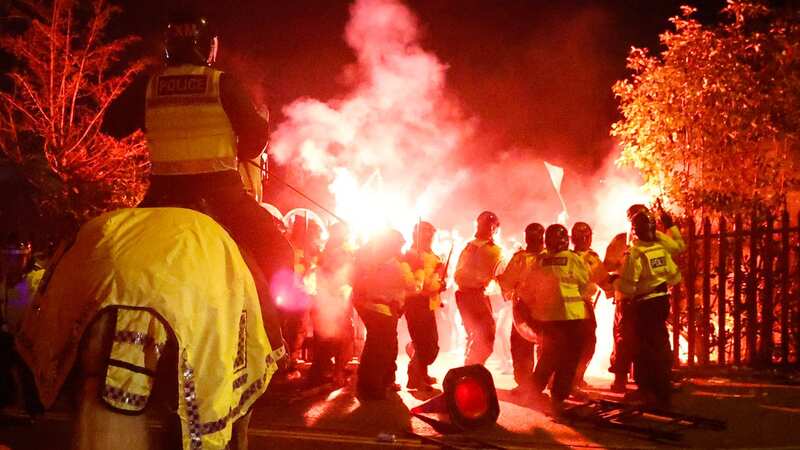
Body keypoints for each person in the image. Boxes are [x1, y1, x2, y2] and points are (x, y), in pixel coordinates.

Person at [129, 11, 293, 357]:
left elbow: (112, 125)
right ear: (209, 47)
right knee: (278, 251)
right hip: (220, 198)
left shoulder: (150, 84)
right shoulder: (221, 83)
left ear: (169, 45)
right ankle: (273, 341)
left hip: (160, 197)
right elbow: (254, 140)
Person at [606, 204, 683, 392]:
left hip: (635, 296)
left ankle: (647, 383)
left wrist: (618, 280)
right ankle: (623, 379)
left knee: (636, 341)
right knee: (629, 339)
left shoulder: (647, 244)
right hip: (633, 298)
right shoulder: (622, 240)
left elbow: (677, 248)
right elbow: (607, 265)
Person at [526, 224, 591, 414]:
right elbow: (585, 283)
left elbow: (530, 285)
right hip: (571, 317)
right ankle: (558, 398)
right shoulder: (572, 258)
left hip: (547, 318)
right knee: (569, 359)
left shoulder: (540, 260)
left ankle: (533, 392)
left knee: (549, 356)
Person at [352, 230, 420, 400]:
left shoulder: (373, 261)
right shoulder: (397, 265)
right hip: (384, 311)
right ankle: (374, 388)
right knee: (381, 351)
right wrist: (418, 270)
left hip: (370, 308)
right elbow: (414, 287)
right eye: (399, 245)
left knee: (373, 348)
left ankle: (368, 385)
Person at [497, 223, 544, 394]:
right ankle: (528, 383)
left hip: (538, 307)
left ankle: (534, 383)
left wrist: (504, 282)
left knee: (532, 345)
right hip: (529, 307)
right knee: (523, 345)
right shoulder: (523, 257)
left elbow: (507, 282)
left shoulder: (530, 257)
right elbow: (508, 282)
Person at [309, 222, 356, 387]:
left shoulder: (330, 251)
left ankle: (326, 372)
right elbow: (341, 276)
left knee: (328, 340)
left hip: (331, 301)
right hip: (332, 302)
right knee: (339, 338)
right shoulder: (336, 253)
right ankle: (335, 373)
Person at [454, 211, 503, 365]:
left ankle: (470, 367)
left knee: (474, 334)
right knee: (486, 334)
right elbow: (501, 274)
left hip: (464, 295)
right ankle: (472, 367)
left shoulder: (469, 246)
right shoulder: (492, 250)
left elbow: (458, 273)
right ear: (493, 228)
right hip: (475, 296)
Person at [403, 221, 445, 390]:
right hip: (415, 302)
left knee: (431, 343)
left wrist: (441, 278)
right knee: (423, 342)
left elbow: (434, 279)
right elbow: (419, 285)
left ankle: (422, 372)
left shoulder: (430, 254)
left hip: (428, 303)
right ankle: (415, 378)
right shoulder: (412, 254)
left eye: (431, 235)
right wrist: (437, 283)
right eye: (427, 235)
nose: (430, 239)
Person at [570, 222, 608, 391]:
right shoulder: (591, 258)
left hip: (564, 306)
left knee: (570, 344)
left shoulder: (566, 256)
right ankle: (574, 379)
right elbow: (604, 279)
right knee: (587, 343)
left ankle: (568, 378)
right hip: (582, 306)